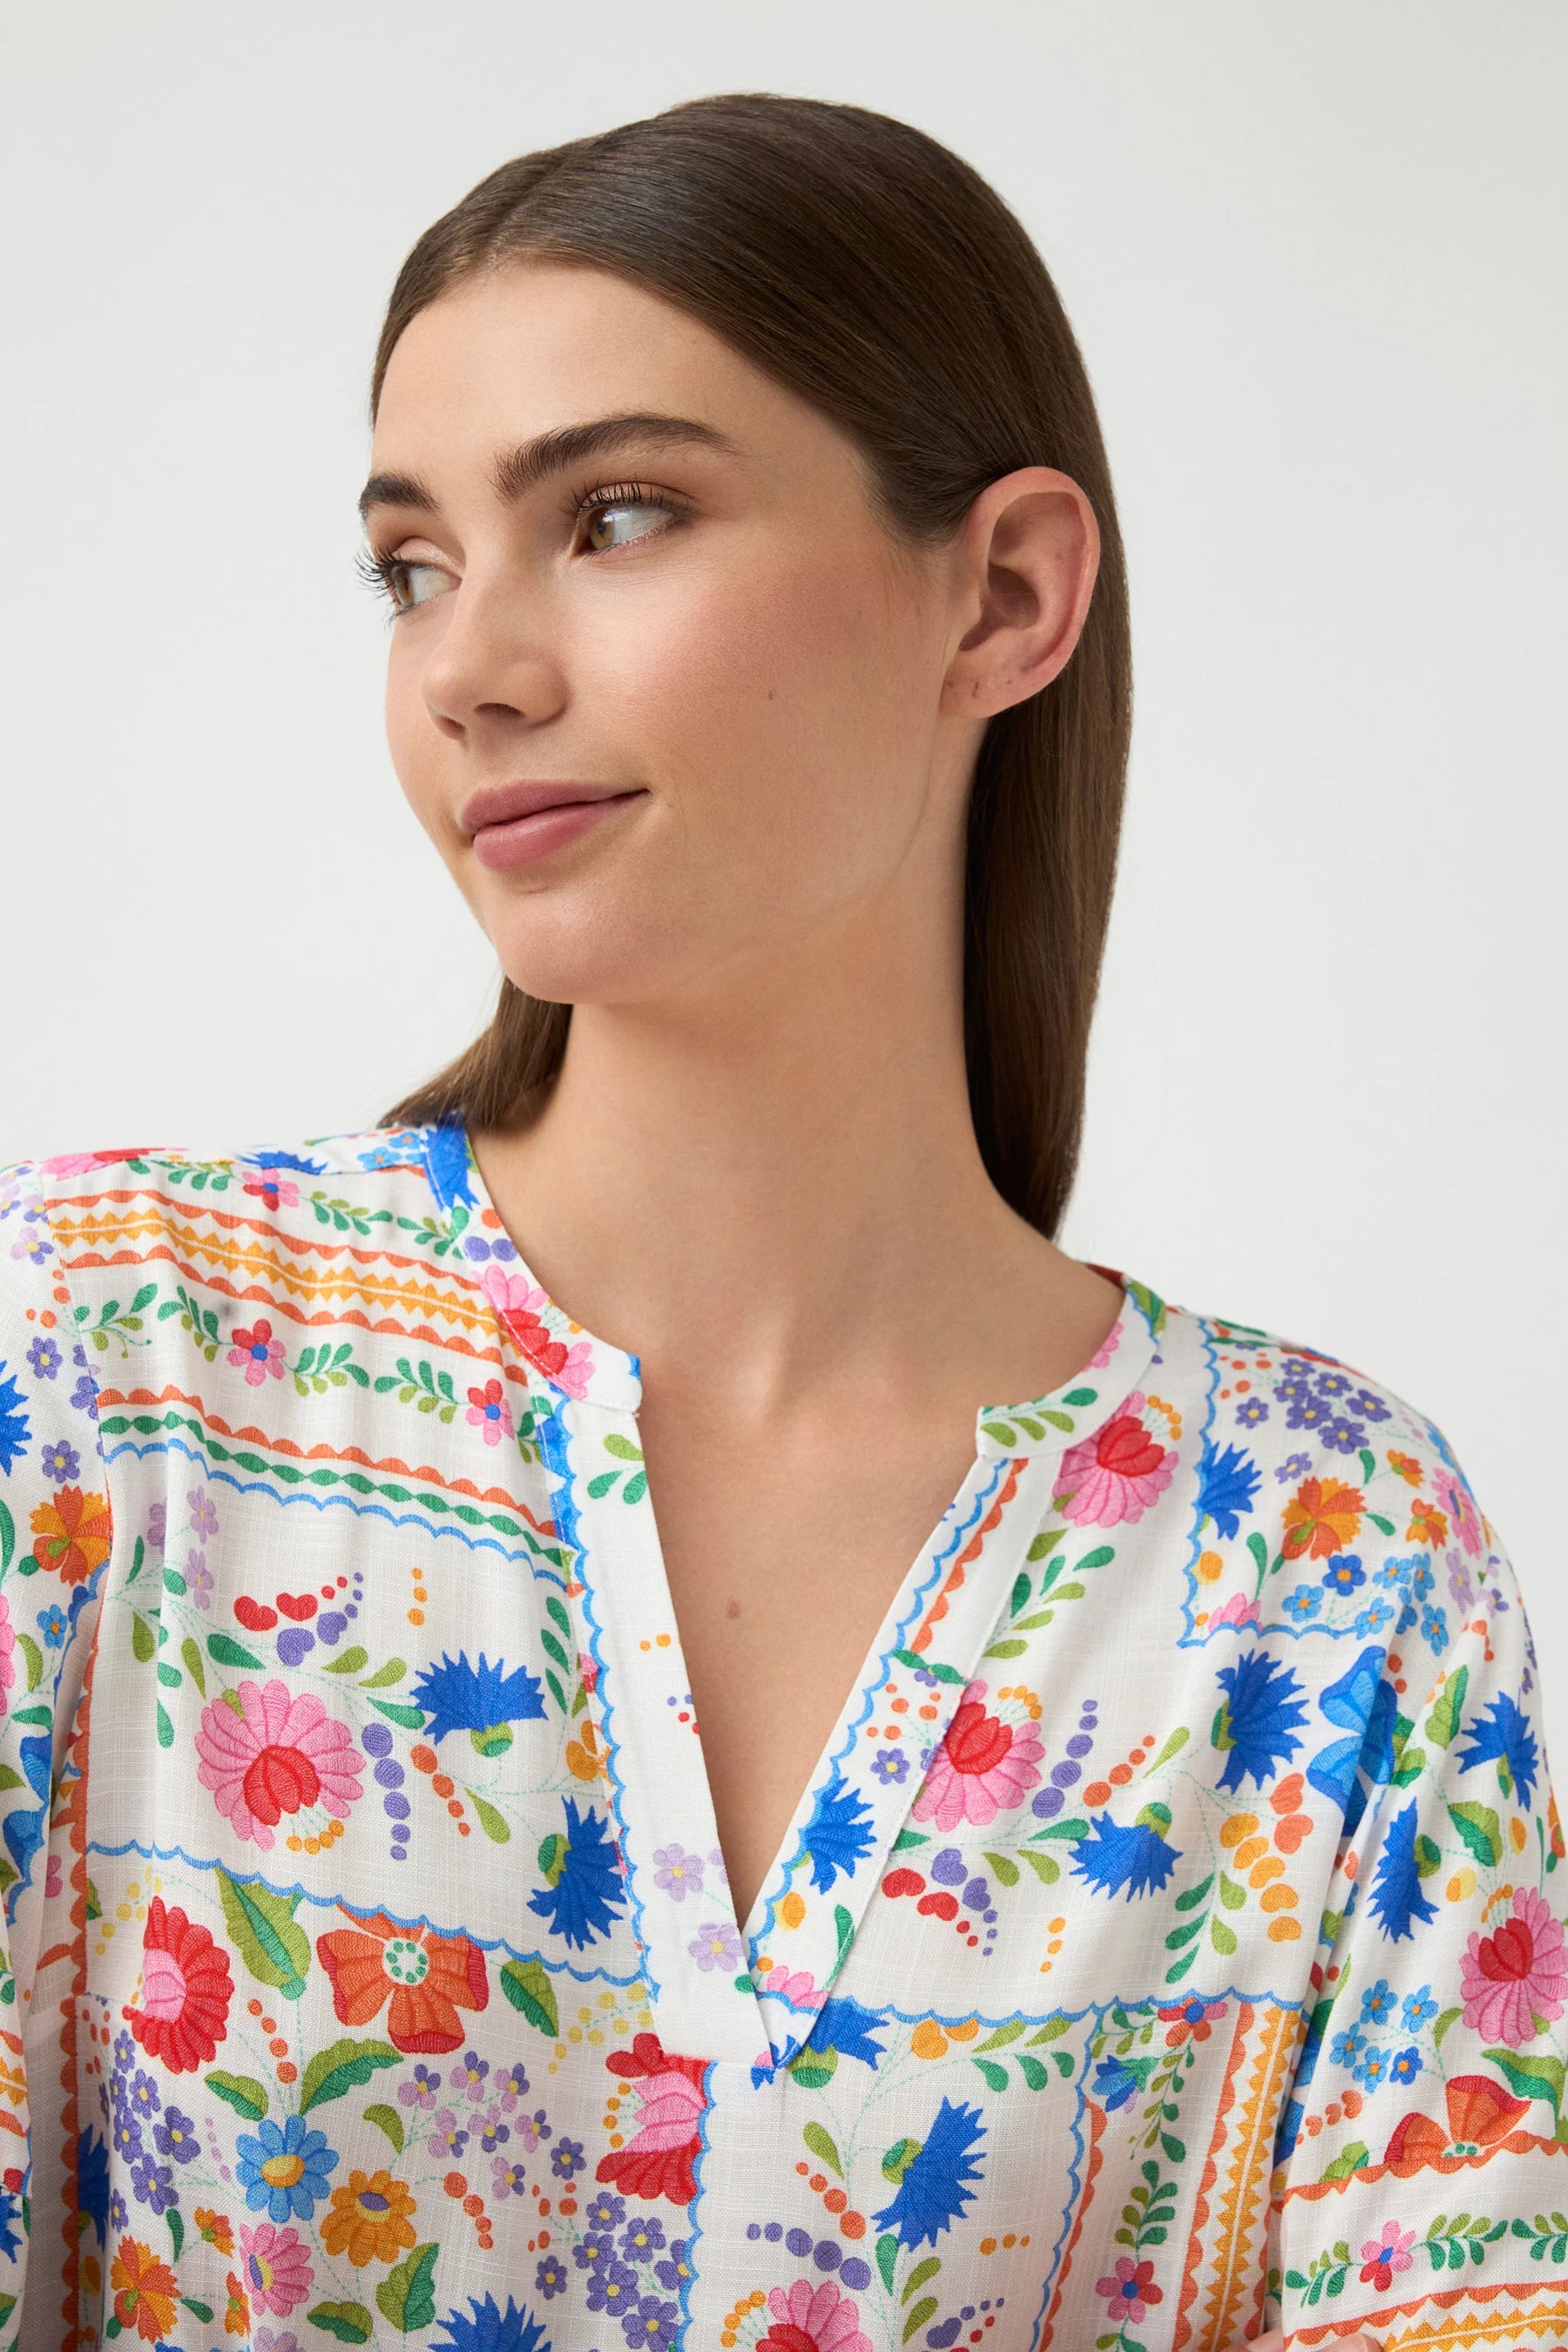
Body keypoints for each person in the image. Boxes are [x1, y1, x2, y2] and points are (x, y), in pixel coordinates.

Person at [0, 91, 1557, 2352]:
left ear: (1003, 592)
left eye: (616, 516)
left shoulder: (1331, 1574)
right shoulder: (113, 1368)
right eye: (414, 562)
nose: (469, 668)